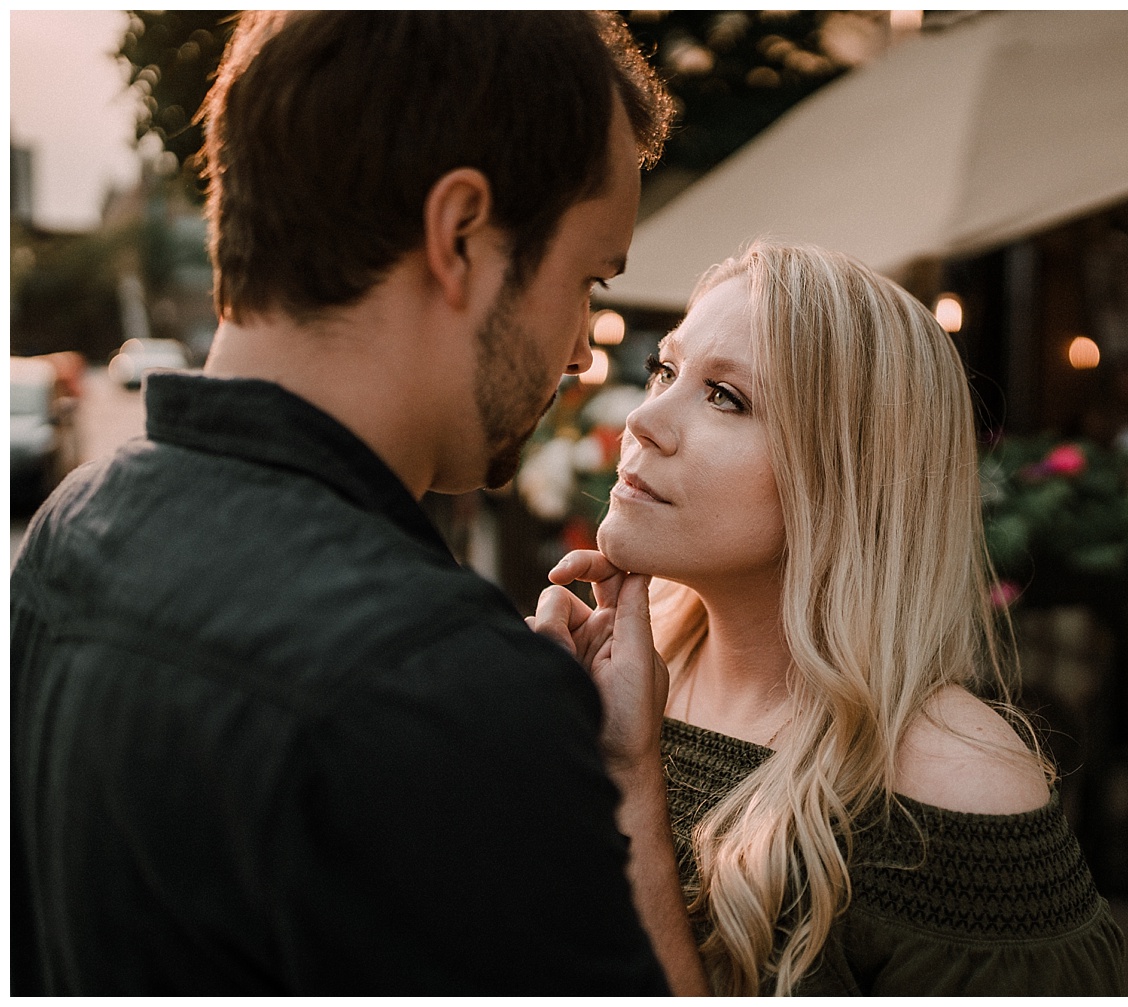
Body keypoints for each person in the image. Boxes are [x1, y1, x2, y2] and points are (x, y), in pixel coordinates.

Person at [11, 12, 707, 996]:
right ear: (460, 233)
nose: (583, 352)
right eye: (589, 278)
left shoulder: (64, 541)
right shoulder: (438, 692)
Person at [531, 241, 1124, 995]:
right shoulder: (618, 671)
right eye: (666, 370)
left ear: (847, 477)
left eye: (726, 397)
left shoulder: (955, 789)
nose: (644, 419)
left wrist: (627, 779)